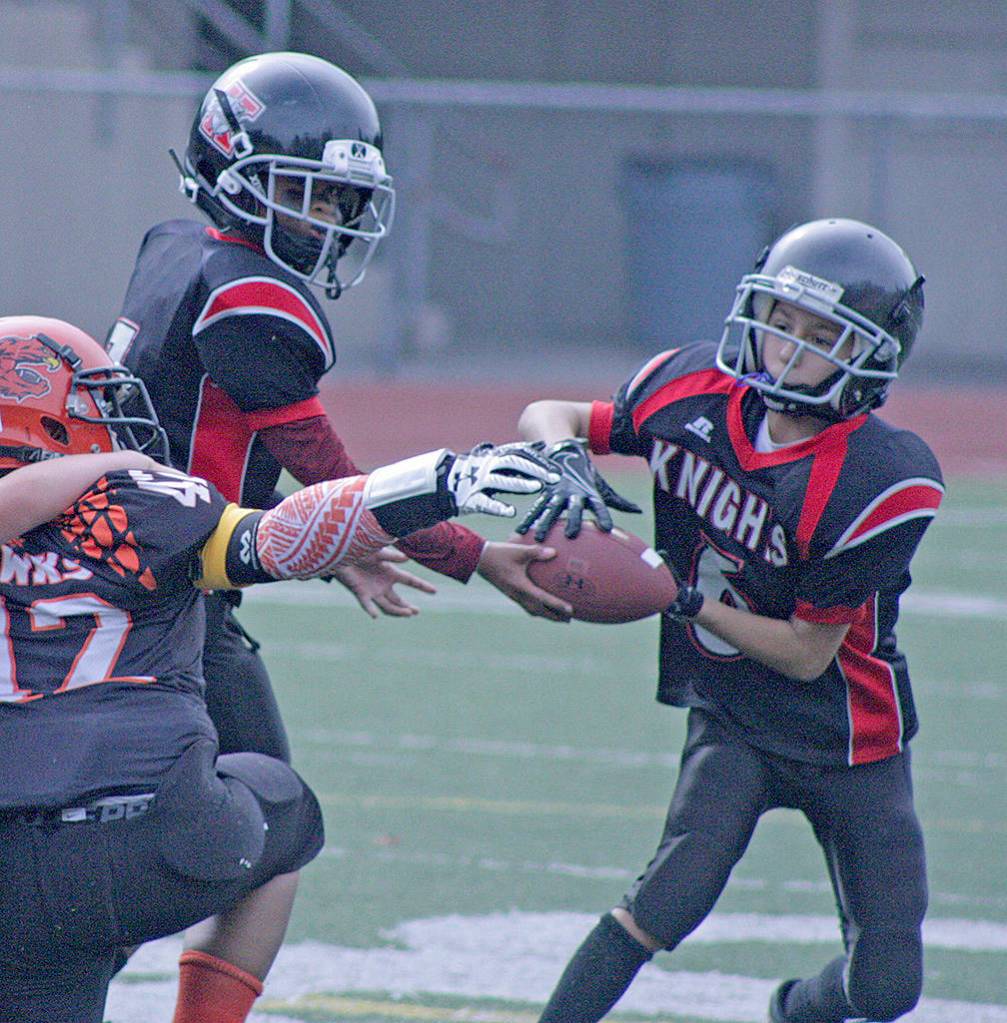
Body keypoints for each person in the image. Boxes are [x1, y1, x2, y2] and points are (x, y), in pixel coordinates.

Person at [0, 315, 556, 1023]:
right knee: (283, 805)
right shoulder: (133, 503)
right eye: (90, 406)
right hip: (154, 827)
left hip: (11, 861)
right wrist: (434, 483)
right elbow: (278, 539)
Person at [516, 219, 944, 1023]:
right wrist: (561, 456)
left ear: (868, 356)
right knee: (662, 902)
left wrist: (675, 597)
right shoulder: (691, 392)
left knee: (886, 988)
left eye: (818, 335)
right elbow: (551, 412)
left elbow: (806, 655)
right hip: (734, 717)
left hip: (849, 736)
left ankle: (794, 1010)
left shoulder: (880, 478)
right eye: (777, 321)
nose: (784, 347)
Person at [107, 50, 572, 766]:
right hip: (169, 595)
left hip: (122, 560)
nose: (325, 222)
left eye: (338, 202)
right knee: (265, 811)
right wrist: (475, 555)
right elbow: (338, 484)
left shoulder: (172, 247)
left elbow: (201, 449)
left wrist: (333, 555)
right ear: (235, 167)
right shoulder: (250, 296)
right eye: (306, 194)